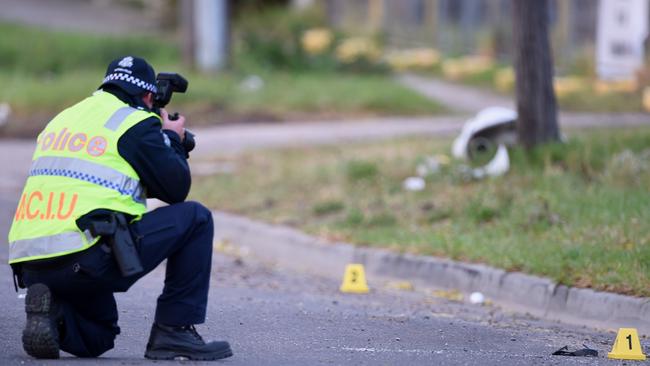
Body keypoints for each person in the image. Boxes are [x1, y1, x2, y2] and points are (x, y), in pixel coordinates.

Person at [7, 56, 233, 361]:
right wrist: (171, 138)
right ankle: (174, 331)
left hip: (33, 266)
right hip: (85, 256)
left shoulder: (64, 118)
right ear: (149, 97)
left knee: (98, 336)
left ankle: (54, 312)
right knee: (196, 218)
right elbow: (176, 188)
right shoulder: (135, 123)